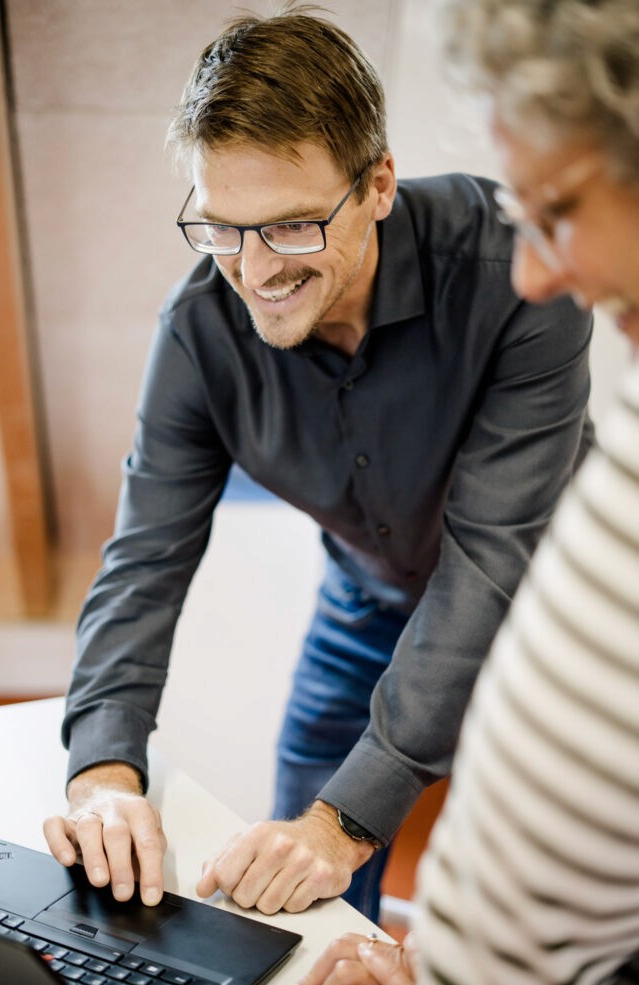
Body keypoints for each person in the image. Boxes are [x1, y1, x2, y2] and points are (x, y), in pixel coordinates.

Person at [42, 2, 593, 924]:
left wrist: (349, 820)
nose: (255, 273)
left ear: (378, 184)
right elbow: (143, 562)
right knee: (297, 888)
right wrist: (102, 774)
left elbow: (490, 560)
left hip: (556, 611)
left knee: (542, 893)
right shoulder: (199, 334)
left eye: (292, 227)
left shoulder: (515, 273)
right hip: (365, 601)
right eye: (222, 228)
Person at [287, 0, 639, 985]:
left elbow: (483, 564)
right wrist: (439, 979)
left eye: (560, 208)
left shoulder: (496, 293)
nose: (537, 269)